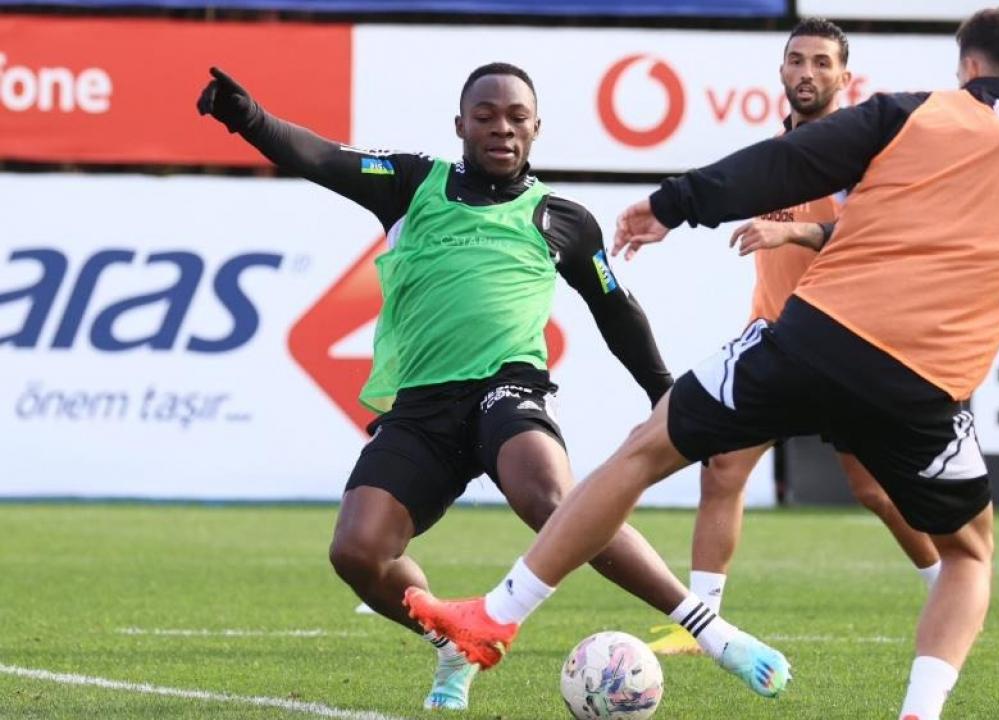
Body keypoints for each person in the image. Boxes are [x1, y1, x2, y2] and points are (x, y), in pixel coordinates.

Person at [407, 7, 999, 719]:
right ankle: (918, 713)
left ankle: (498, 614)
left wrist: (672, 204)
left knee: (645, 449)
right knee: (969, 557)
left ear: (965, 67)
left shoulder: (909, 114)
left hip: (811, 340)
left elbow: (786, 162)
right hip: (923, 387)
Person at [196, 62, 694, 711]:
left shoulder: (563, 219)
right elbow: (320, 156)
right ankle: (452, 642)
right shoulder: (411, 183)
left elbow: (616, 310)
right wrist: (249, 119)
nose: (501, 127)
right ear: (460, 125)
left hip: (508, 390)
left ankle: (705, 626)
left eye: (516, 117)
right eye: (485, 116)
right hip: (424, 406)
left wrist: (665, 393)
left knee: (550, 497)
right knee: (357, 552)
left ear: (537, 128)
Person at [647, 17, 940, 658]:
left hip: (845, 346)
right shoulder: (775, 158)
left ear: (845, 77)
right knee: (722, 469)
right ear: (781, 71)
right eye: (797, 60)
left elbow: (882, 240)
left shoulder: (864, 159)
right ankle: (701, 625)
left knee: (875, 491)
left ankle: (948, 585)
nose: (807, 73)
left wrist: (795, 232)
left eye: (821, 62)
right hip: (771, 343)